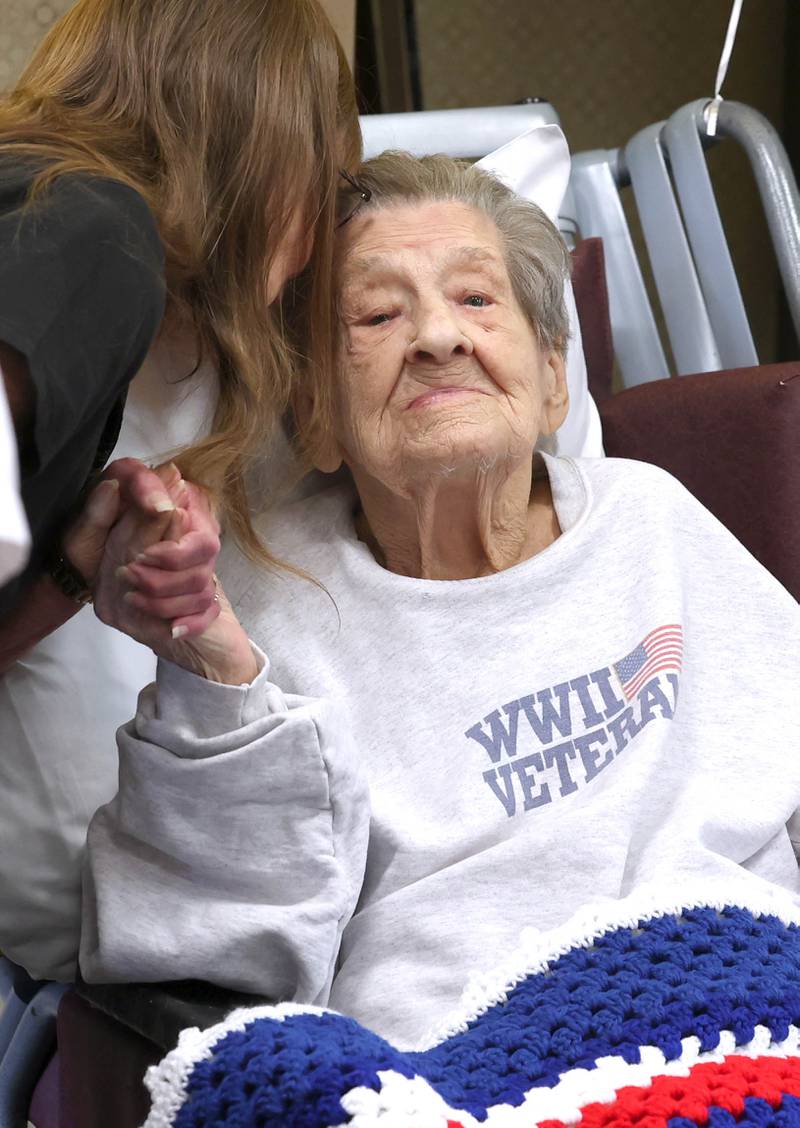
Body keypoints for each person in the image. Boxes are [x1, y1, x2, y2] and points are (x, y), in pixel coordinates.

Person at [81, 152, 800, 1047]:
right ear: (315, 415)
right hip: (461, 1060)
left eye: (476, 299)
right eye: (377, 314)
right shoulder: (263, 600)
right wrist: (215, 674)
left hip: (755, 1005)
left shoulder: (648, 521)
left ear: (551, 377)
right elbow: (212, 960)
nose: (437, 338)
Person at [0, 0, 360, 980]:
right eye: (323, 173)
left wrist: (72, 577)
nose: (320, 223)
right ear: (265, 142)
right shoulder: (89, 234)